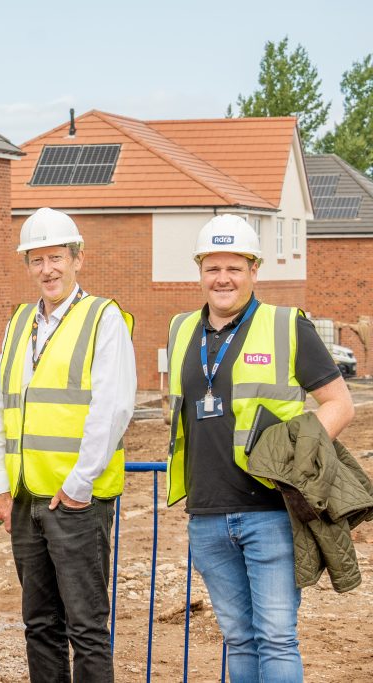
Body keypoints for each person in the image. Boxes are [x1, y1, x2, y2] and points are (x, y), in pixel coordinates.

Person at [166, 214, 354, 682]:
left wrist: (297, 458)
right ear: (200, 272)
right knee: (238, 637)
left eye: (234, 267)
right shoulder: (180, 329)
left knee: (275, 636)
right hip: (207, 514)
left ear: (253, 270)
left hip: (270, 513)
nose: (222, 278)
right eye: (213, 268)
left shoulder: (287, 325)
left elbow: (339, 404)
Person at [0, 207, 136, 682]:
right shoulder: (19, 323)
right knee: (39, 625)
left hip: (76, 503)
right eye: (36, 260)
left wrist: (79, 484)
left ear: (77, 259)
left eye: (56, 258)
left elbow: (112, 409)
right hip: (26, 501)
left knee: (86, 627)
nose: (47, 270)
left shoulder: (103, 319)